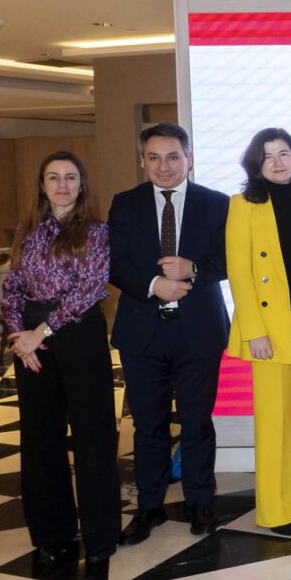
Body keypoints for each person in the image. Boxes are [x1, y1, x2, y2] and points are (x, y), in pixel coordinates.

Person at [110, 123, 230, 544]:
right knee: (148, 426)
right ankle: (149, 506)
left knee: (198, 422)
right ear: (144, 161)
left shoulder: (217, 204)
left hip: (198, 332)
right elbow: (115, 264)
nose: (164, 166)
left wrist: (193, 269)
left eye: (173, 157)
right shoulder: (124, 204)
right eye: (155, 158)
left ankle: (200, 502)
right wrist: (153, 285)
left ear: (189, 159)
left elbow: (230, 261)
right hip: (142, 333)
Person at [4, 152, 120, 564]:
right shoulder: (27, 232)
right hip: (32, 342)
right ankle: (52, 532)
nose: (62, 185)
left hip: (78, 333)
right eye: (53, 177)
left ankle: (101, 535)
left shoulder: (96, 232)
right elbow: (13, 287)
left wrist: (40, 333)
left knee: (93, 436)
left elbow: (89, 290)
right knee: (40, 437)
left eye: (71, 177)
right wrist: (21, 337)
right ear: (42, 185)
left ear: (82, 185)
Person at [226, 128, 291, 536]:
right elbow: (239, 273)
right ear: (255, 165)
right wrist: (254, 330)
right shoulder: (243, 206)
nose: (278, 161)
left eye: (284, 153)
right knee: (273, 418)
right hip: (271, 326)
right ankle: (275, 510)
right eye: (267, 156)